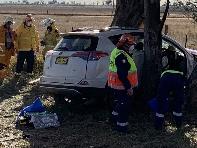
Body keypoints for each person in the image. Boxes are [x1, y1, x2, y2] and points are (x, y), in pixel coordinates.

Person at [108, 33, 138, 133]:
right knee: (124, 106)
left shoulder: (118, 52)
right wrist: (128, 87)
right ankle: (122, 128)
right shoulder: (121, 56)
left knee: (120, 104)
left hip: (117, 84)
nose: (132, 46)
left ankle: (112, 119)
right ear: (125, 45)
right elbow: (122, 74)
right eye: (130, 44)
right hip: (121, 86)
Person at [154, 49, 185, 130]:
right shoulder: (179, 56)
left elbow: (162, 66)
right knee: (178, 101)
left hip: (166, 77)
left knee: (161, 100)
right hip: (178, 78)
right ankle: (178, 124)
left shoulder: (163, 54)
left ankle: (158, 125)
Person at [0, 16, 16, 84]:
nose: (10, 24)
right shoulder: (0, 29)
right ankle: (1, 78)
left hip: (9, 51)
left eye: (11, 23)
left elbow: (14, 37)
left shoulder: (11, 30)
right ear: (6, 22)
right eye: (9, 23)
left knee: (6, 64)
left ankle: (3, 78)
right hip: (2, 51)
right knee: (1, 64)